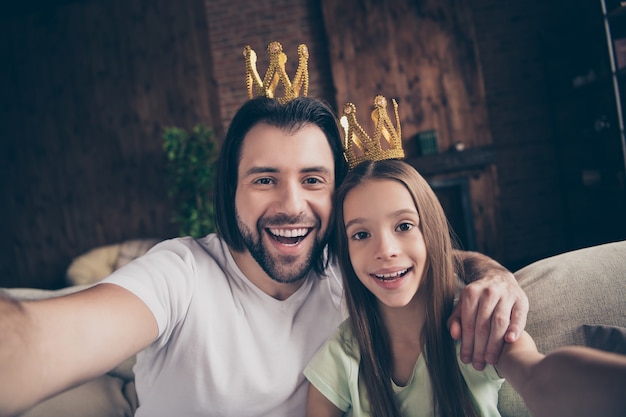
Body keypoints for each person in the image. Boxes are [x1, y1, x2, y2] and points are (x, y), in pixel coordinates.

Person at [0, 43, 528, 417]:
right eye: (264, 179)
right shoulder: (180, 274)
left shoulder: (356, 274)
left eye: (313, 180)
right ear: (230, 191)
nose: (291, 205)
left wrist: (495, 275)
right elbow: (39, 339)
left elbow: (433, 258)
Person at [304, 158, 626, 417]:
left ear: (431, 232)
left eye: (404, 226)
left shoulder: (474, 324)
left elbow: (537, 377)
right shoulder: (343, 353)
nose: (385, 249)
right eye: (361, 234)